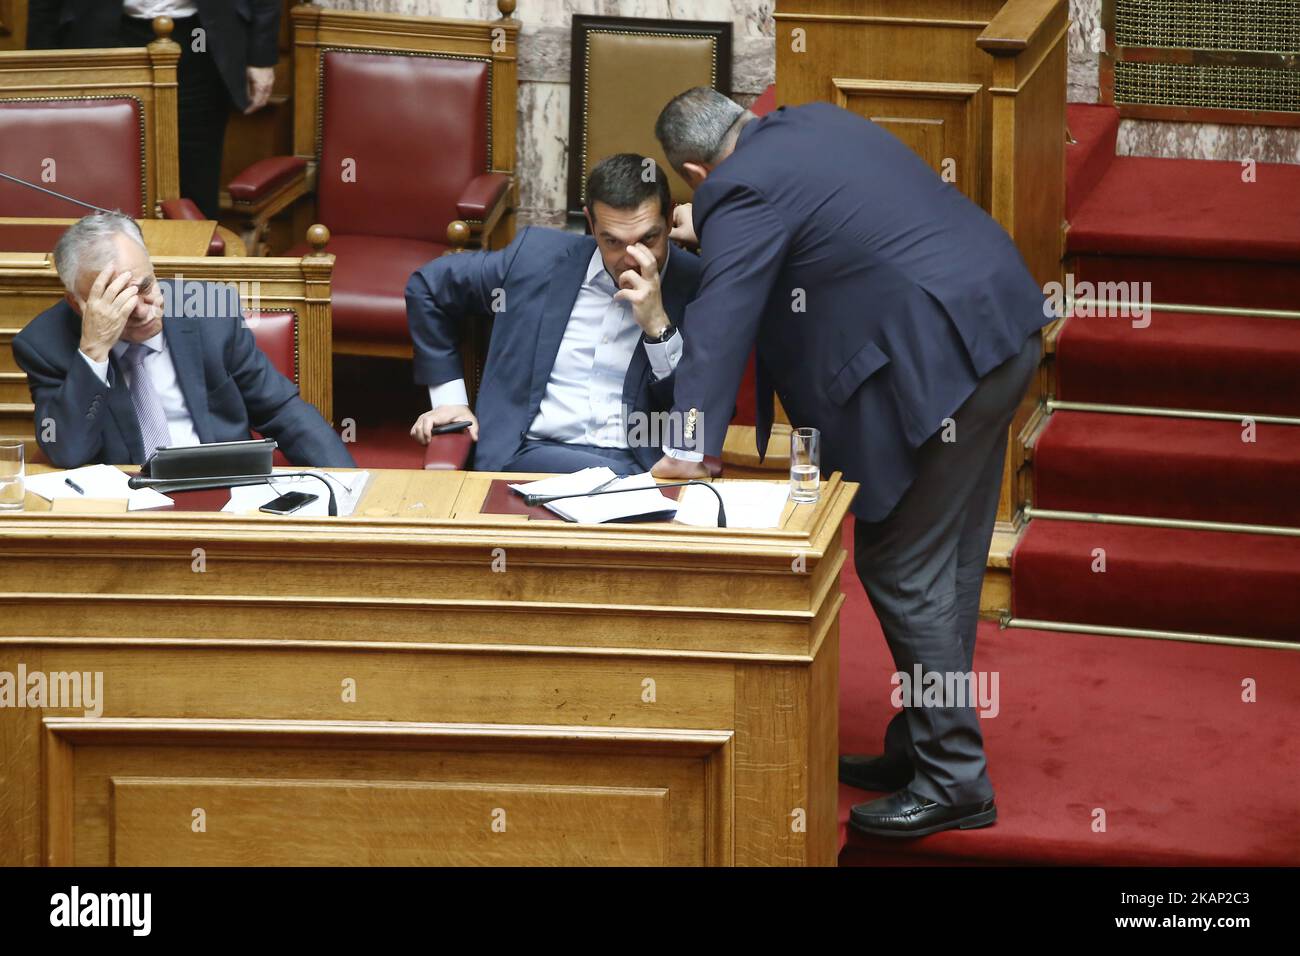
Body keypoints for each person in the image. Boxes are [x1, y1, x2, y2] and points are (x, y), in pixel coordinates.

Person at [651, 88, 1049, 837]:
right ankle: (924, 740)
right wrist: (723, 224)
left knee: (902, 567)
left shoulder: (736, 192)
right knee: (953, 563)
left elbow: (721, 317)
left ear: (697, 173)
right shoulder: (811, 121)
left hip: (947, 361)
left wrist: (688, 447)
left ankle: (955, 778)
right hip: (999, 326)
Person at [406, 153, 702, 475]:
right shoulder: (536, 258)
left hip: (634, 470)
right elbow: (428, 287)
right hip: (527, 459)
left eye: (648, 238)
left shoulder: (700, 286)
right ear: (591, 224)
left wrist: (658, 328)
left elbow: (699, 414)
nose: (632, 259)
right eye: (613, 241)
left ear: (669, 215)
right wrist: (450, 400)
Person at [12, 211, 353, 470]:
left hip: (223, 488)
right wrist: (94, 350)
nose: (144, 311)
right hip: (124, 515)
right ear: (78, 303)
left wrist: (347, 482)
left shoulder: (209, 313)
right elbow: (66, 450)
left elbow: (282, 411)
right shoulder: (45, 344)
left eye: (145, 287)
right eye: (120, 303)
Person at [27, 0, 281, 218]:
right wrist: (42, 67)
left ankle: (194, 269)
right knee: (99, 166)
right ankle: (109, 268)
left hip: (199, 38)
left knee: (196, 169)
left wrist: (261, 55)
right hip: (104, 32)